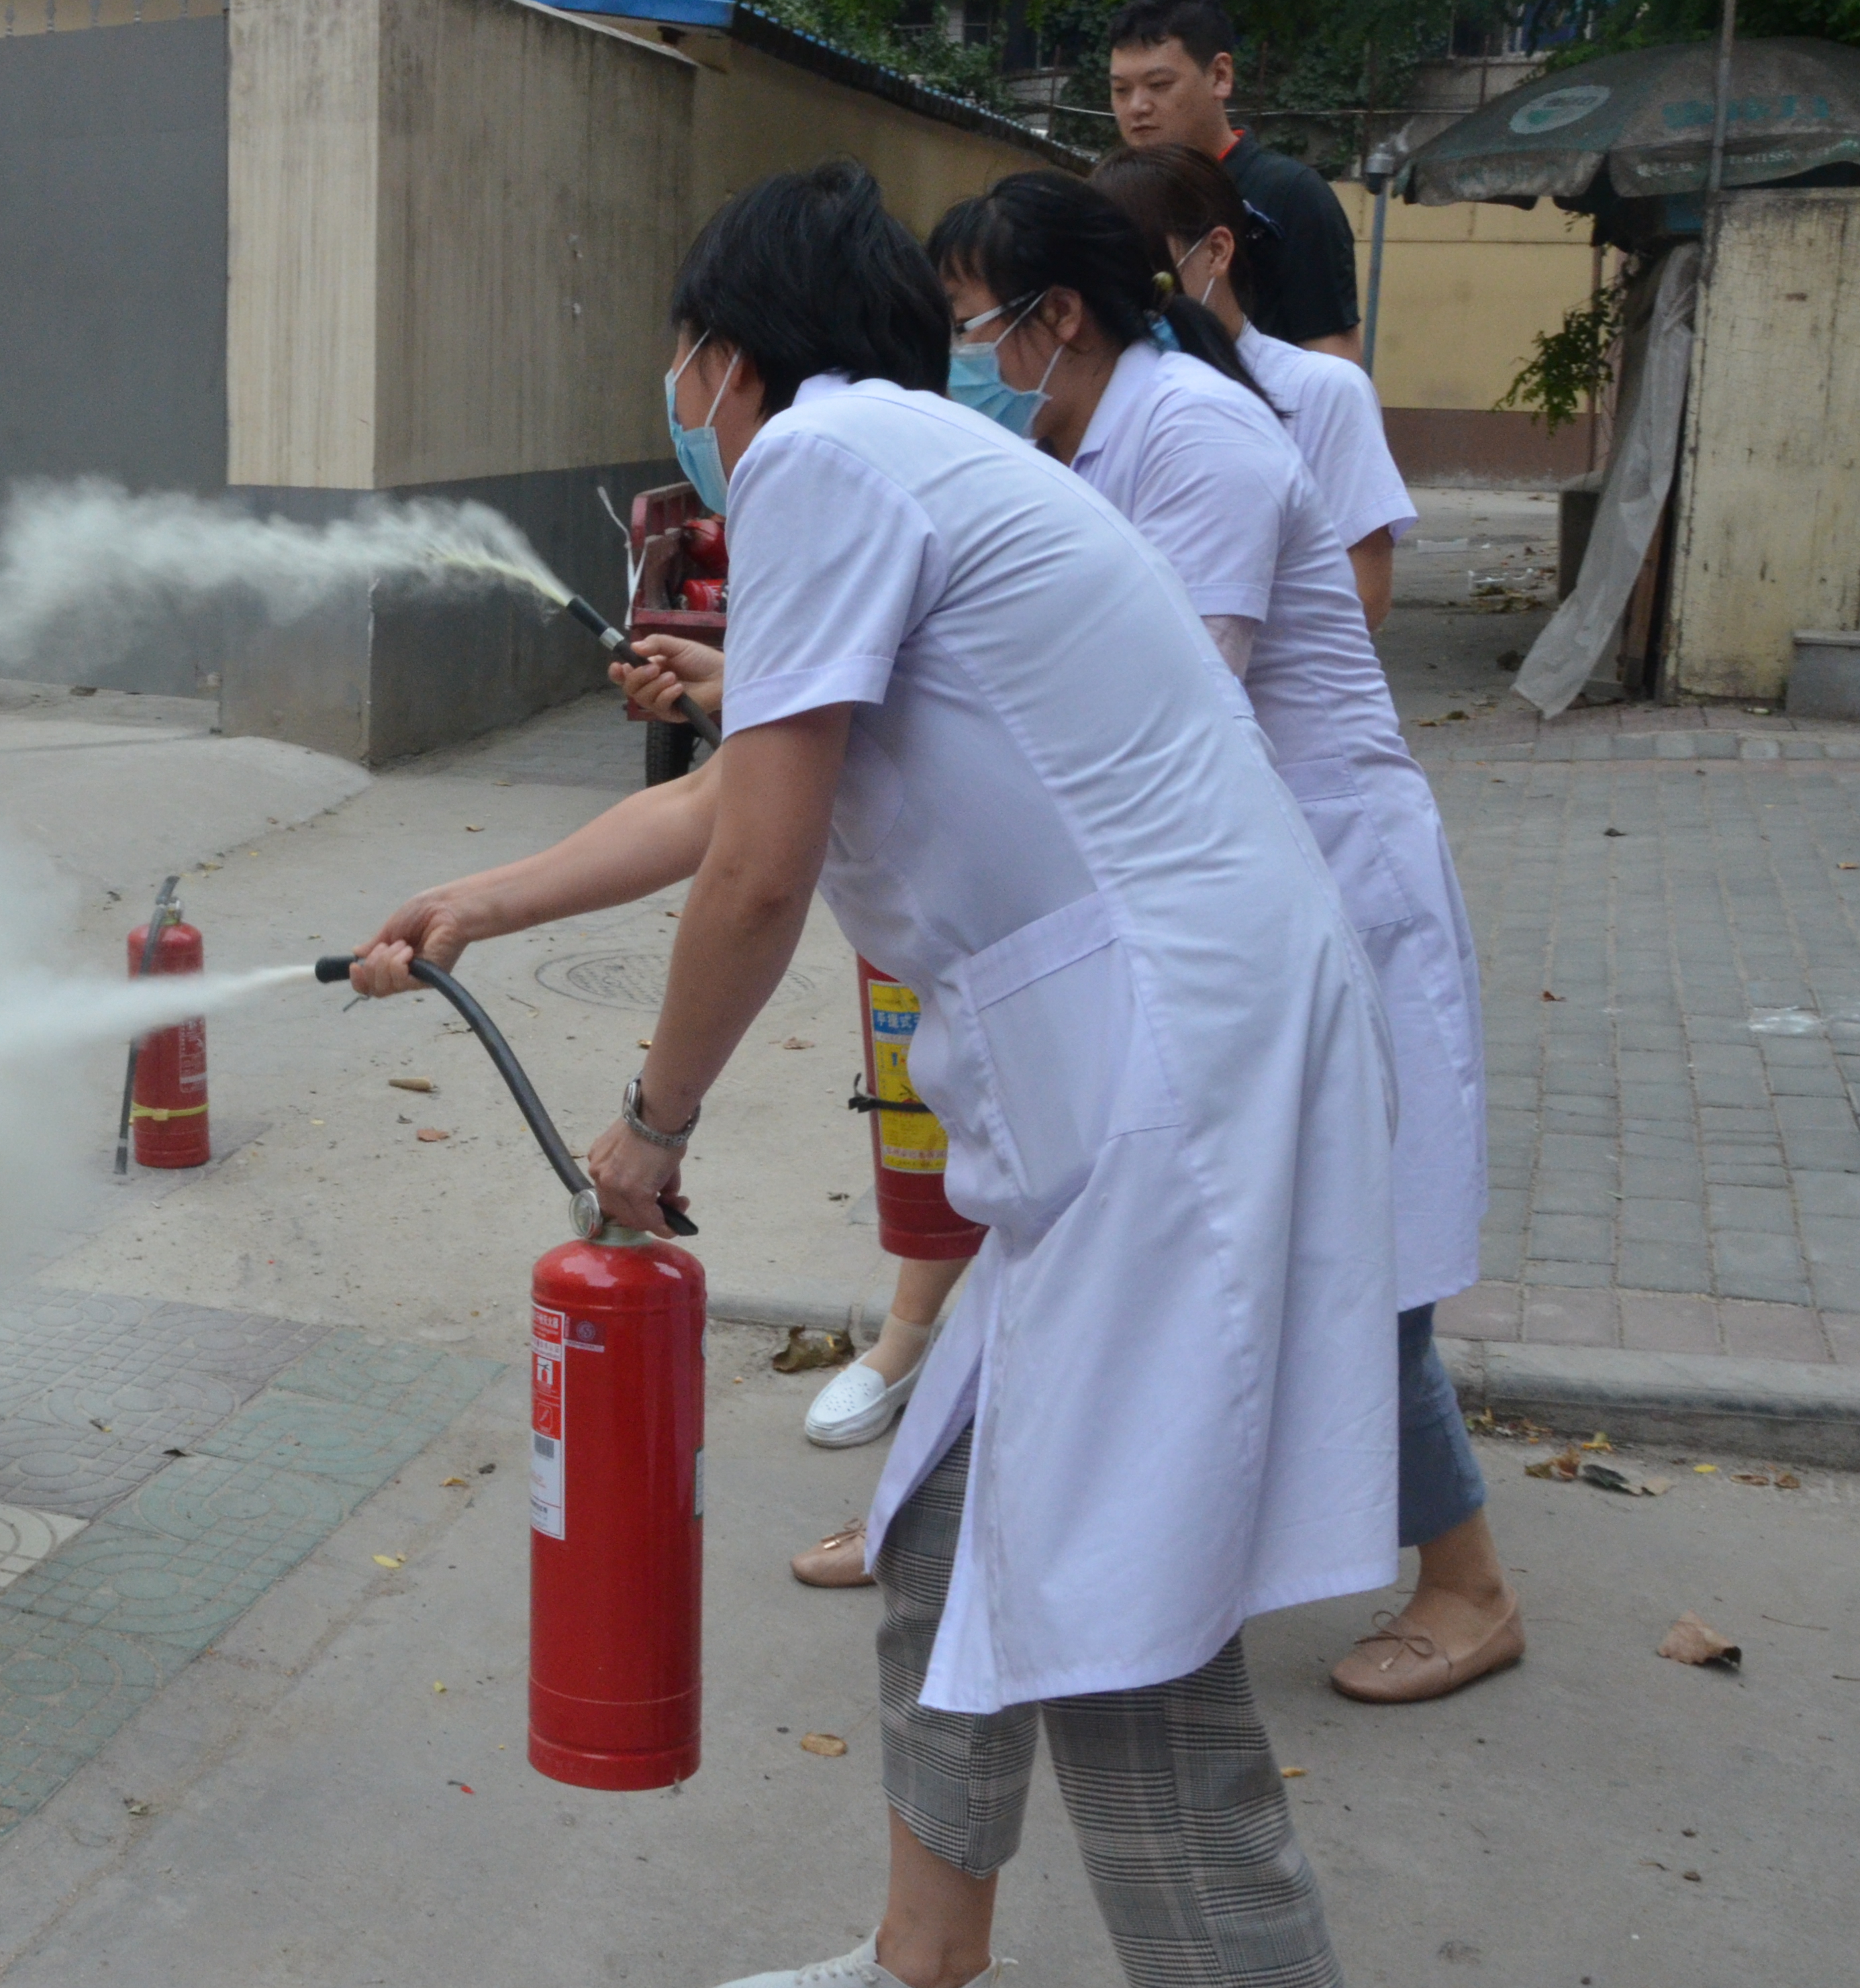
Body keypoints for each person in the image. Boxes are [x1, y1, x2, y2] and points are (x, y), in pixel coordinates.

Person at [354, 157, 1390, 1988]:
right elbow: (729, 804)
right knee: (944, 1525)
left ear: (730, 356)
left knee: (1125, 1648)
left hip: (1162, 1077)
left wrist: (650, 1129)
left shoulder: (827, 461)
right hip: (1158, 1059)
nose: (681, 400)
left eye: (683, 358)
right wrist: (481, 901)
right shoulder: (926, 461)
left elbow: (761, 871)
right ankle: (922, 1957)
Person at [1081, 144, 1520, 1703]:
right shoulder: (1122, 428)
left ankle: (1467, 1583)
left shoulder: (1257, 412)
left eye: (1004, 327)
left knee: (1369, 1256)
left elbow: (1221, 669)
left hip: (1332, 859)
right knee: (1266, 1246)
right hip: (1251, 876)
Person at [1095, 140, 1416, 626]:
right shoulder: (1104, 401)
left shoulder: (1320, 391)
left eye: (1149, 273)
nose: (1129, 297)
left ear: (1218, 251)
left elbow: (1365, 594)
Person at [1106, 0, 1363, 358]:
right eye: (1120, 90)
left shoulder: (1290, 196)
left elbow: (1333, 361)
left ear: (1221, 76)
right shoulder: (1112, 203)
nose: (1137, 107)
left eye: (1159, 85)